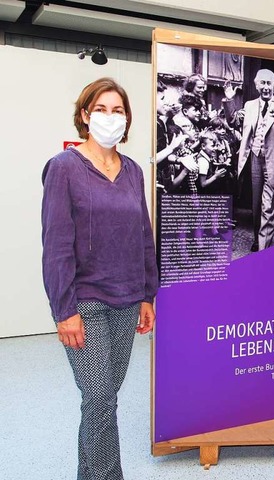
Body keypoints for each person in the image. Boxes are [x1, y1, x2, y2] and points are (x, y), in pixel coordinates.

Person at [41, 77, 158, 480]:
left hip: (127, 300)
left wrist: (148, 295)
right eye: (102, 109)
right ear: (85, 116)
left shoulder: (133, 172)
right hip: (85, 302)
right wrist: (63, 310)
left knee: (102, 402)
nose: (111, 117)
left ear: (127, 120)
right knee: (99, 399)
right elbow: (56, 243)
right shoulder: (63, 168)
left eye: (119, 110)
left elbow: (143, 235)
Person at [222, 68, 274, 252]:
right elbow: (234, 121)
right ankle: (257, 238)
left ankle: (263, 250)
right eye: (263, 83)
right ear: (257, 85)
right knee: (256, 205)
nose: (266, 87)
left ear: (273, 85)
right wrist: (229, 100)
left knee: (268, 206)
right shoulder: (250, 105)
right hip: (254, 160)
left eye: (269, 83)